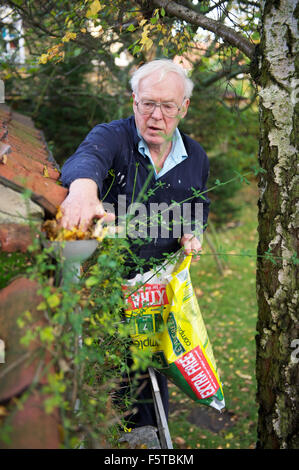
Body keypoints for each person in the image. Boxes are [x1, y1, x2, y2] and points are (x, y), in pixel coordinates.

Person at [60, 59, 210, 429]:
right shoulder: (114, 137)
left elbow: (197, 206)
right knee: (103, 386)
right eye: (148, 104)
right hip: (104, 293)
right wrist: (82, 188)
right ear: (134, 102)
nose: (156, 116)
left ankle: (149, 440)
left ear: (184, 108)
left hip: (157, 302)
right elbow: (87, 158)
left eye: (167, 106)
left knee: (151, 387)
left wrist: (193, 231)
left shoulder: (196, 158)